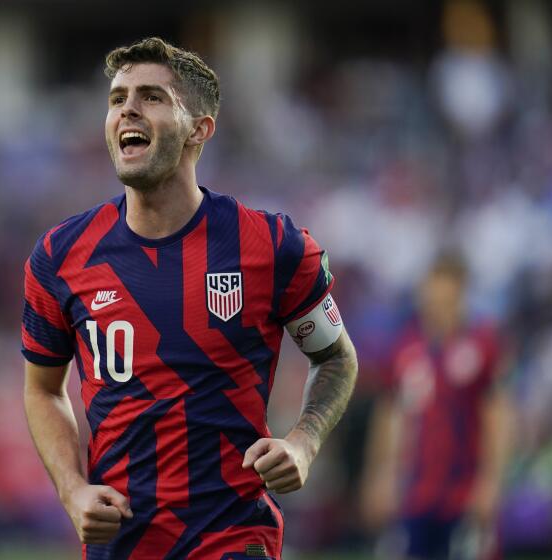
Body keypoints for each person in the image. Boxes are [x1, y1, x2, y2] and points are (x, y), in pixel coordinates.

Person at [21, 37, 358, 560]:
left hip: (233, 534)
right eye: (117, 99)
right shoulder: (59, 256)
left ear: (199, 130)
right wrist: (72, 489)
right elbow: (44, 390)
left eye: (152, 96)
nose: (127, 108)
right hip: (122, 543)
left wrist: (303, 442)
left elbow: (335, 357)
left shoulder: (273, 246)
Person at [360, 254, 512, 560]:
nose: (437, 308)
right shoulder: (405, 348)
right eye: (432, 298)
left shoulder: (482, 344)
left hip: (464, 491)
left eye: (446, 300)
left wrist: (491, 481)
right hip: (414, 493)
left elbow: (497, 417)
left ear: (461, 296)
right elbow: (390, 415)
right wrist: (378, 476)